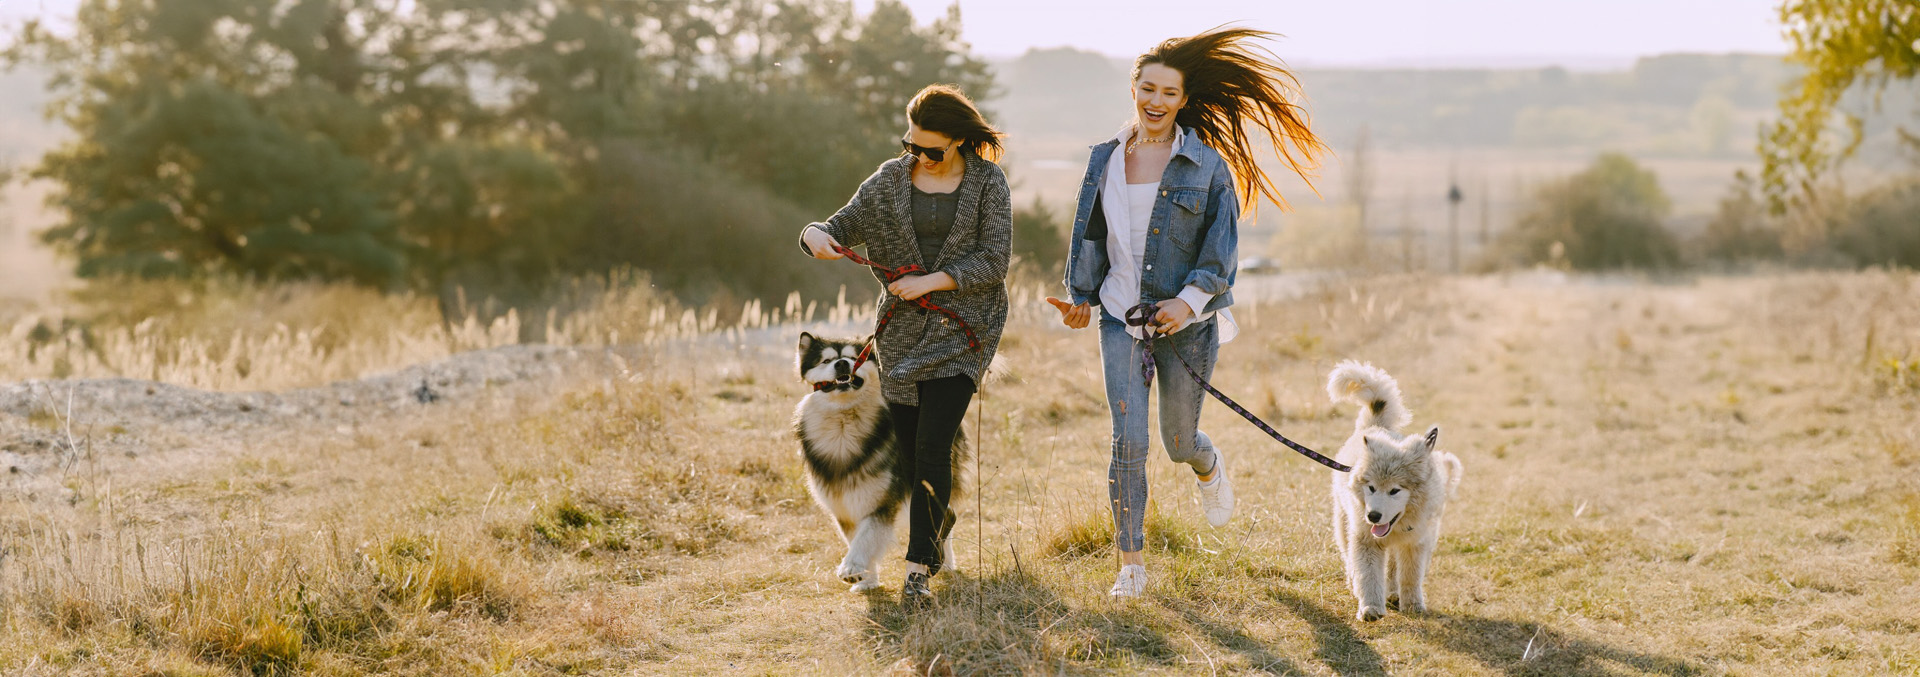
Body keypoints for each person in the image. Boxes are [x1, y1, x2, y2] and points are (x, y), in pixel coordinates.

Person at [1045, 28, 1329, 598]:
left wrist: (1187, 301)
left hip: (1187, 325)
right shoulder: (1104, 159)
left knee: (1176, 441)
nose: (1155, 101)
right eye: (1147, 88)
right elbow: (1093, 235)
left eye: (1168, 93)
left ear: (1182, 100)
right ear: (1134, 88)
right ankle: (1131, 566)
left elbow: (1221, 251)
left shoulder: (1206, 164)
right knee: (1128, 443)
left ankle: (1205, 462)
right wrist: (1080, 298)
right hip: (1120, 318)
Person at [799, 84, 1012, 607]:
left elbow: (995, 260)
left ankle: (919, 569)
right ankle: (939, 521)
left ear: (960, 141)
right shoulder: (890, 179)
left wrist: (931, 281)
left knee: (933, 447)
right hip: (900, 335)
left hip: (966, 330)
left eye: (932, 149)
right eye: (911, 144)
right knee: (913, 458)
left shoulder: (988, 183)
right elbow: (839, 225)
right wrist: (814, 234)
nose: (918, 156)